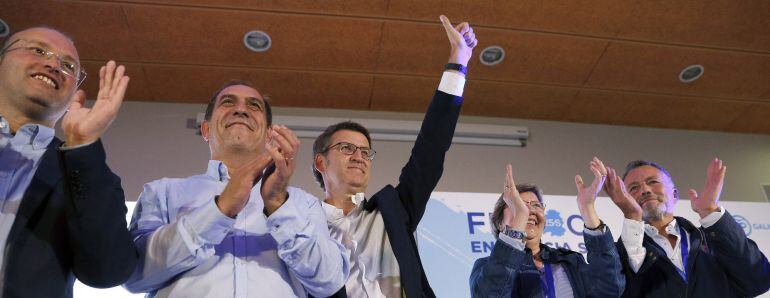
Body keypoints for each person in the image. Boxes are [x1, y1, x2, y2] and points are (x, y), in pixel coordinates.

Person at [123, 81, 348, 297]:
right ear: (205, 129)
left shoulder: (303, 204)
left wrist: (278, 205)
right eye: (228, 102)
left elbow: (329, 282)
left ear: (269, 134)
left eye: (253, 105)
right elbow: (133, 275)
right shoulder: (161, 194)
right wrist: (219, 210)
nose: (241, 110)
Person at [310, 15, 475, 297]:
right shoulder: (304, 224)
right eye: (346, 148)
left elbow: (431, 148)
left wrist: (458, 63)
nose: (359, 156)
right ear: (320, 162)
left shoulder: (394, 211)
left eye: (365, 151)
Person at [0, 27, 138, 297]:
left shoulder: (87, 174)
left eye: (68, 65)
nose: (53, 65)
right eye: (38, 50)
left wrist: (82, 145)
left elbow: (108, 271)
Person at [604, 158, 770, 297]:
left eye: (652, 182)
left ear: (675, 195)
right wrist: (632, 217)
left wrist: (711, 212)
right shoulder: (620, 254)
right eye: (634, 188)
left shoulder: (714, 240)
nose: (645, 190)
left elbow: (758, 280)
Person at [469, 159, 625, 297]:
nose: (529, 211)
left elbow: (610, 289)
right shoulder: (485, 268)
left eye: (536, 205)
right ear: (500, 223)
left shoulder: (569, 262)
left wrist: (587, 208)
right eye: (519, 205)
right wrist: (519, 220)